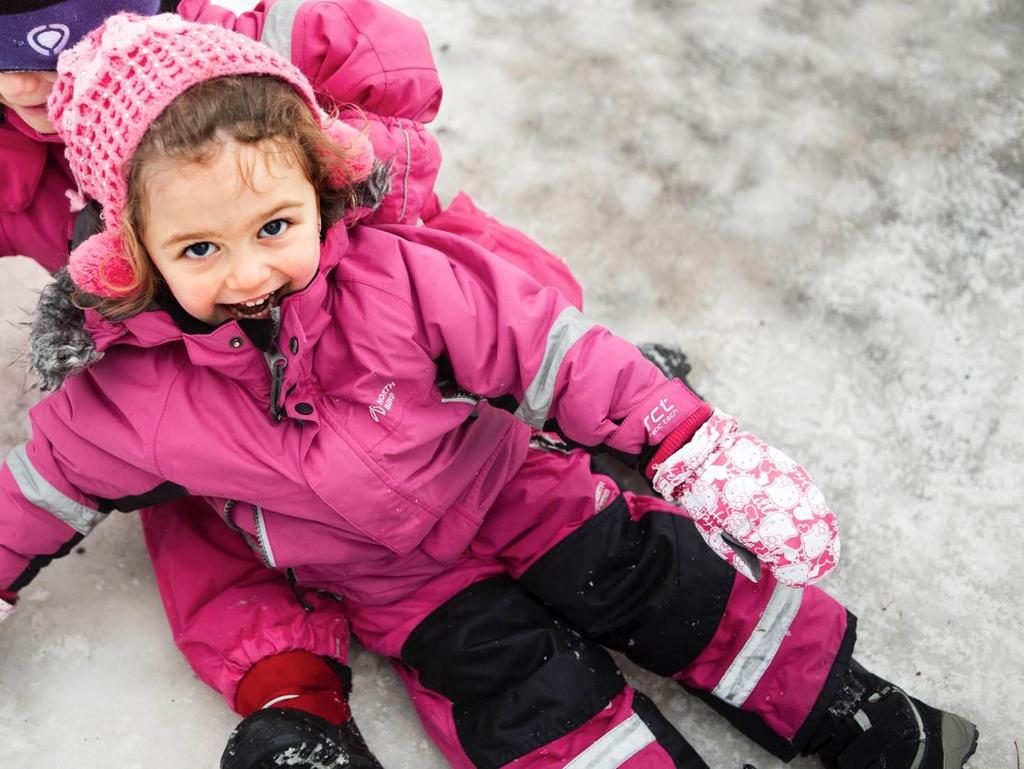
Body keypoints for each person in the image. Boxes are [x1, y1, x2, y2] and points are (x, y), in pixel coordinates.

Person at [1, 11, 980, 769]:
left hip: (522, 492)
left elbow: (550, 352)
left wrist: (679, 434)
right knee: (527, 695)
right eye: (199, 249)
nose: (249, 271)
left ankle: (861, 712)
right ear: (131, 253)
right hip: (404, 590)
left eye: (273, 227)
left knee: (676, 584)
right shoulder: (133, 394)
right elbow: (40, 489)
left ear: (319, 187)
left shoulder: (394, 276)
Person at [0, 2, 603, 767]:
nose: (29, 79)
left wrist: (318, 171)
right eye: (4, 53)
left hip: (365, 288)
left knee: (498, 356)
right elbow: (53, 480)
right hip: (187, 357)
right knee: (193, 492)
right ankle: (292, 691)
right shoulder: (14, 149)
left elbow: (394, 74)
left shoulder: (252, 40)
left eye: (55, 47)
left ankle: (576, 435)